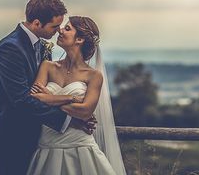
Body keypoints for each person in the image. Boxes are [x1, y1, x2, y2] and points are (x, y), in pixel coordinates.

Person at [0, 0, 95, 175]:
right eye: (55, 26)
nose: (58, 31)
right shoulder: (11, 48)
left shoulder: (40, 45)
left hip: (38, 140)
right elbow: (22, 100)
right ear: (37, 23)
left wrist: (71, 109)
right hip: (14, 141)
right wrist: (71, 120)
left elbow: (43, 93)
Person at [26, 15, 126, 175]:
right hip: (47, 147)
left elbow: (85, 111)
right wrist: (70, 98)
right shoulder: (47, 67)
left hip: (81, 147)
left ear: (79, 40)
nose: (60, 30)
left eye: (67, 28)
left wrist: (49, 98)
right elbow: (33, 99)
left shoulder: (93, 76)